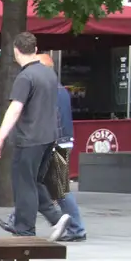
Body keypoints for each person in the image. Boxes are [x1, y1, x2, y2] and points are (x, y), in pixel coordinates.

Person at [0, 32, 71, 239]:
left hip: (29, 137)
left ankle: (25, 228)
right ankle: (55, 217)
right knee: (34, 181)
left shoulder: (25, 77)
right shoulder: (49, 74)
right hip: (48, 136)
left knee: (24, 184)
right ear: (35, 49)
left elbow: (15, 110)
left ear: (16, 51)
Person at [38, 52, 87, 243]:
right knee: (42, 185)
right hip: (62, 141)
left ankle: (77, 228)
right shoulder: (60, 90)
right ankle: (16, 218)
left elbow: (53, 120)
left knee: (60, 190)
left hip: (56, 142)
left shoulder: (51, 90)